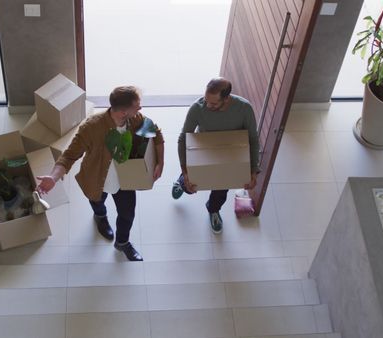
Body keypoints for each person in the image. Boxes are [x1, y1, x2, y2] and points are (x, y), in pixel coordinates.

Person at [36, 86, 164, 261]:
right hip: (96, 180)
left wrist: (160, 162)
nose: (140, 109)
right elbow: (69, 156)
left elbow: (156, 134)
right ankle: (100, 217)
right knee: (97, 201)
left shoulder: (135, 120)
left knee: (127, 214)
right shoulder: (92, 127)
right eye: (137, 106)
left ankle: (123, 242)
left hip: (125, 182)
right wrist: (54, 177)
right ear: (123, 112)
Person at [172, 77, 259, 234]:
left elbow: (253, 139)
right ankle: (181, 183)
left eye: (213, 103)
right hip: (203, 149)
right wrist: (185, 171)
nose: (207, 105)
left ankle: (213, 210)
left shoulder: (244, 108)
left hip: (229, 153)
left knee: (221, 189)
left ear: (226, 99)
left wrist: (253, 170)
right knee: (191, 186)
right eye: (206, 100)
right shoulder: (197, 108)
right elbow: (183, 138)